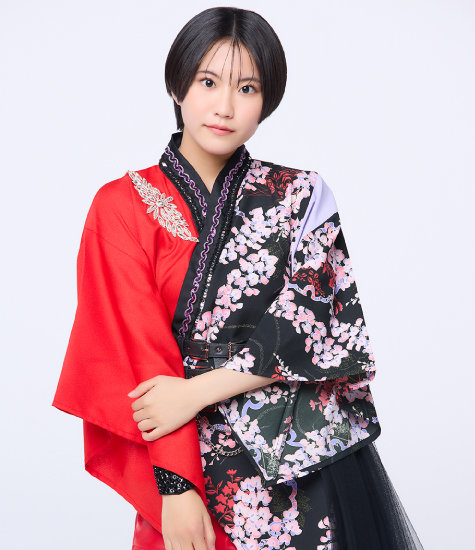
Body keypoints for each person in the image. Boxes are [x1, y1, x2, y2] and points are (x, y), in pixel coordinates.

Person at [52, 7, 424, 550]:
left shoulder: (303, 195)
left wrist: (194, 392)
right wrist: (175, 488)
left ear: (267, 100)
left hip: (302, 464)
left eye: (247, 88)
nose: (224, 106)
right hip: (186, 465)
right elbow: (137, 354)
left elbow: (310, 322)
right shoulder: (121, 206)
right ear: (177, 85)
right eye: (208, 82)